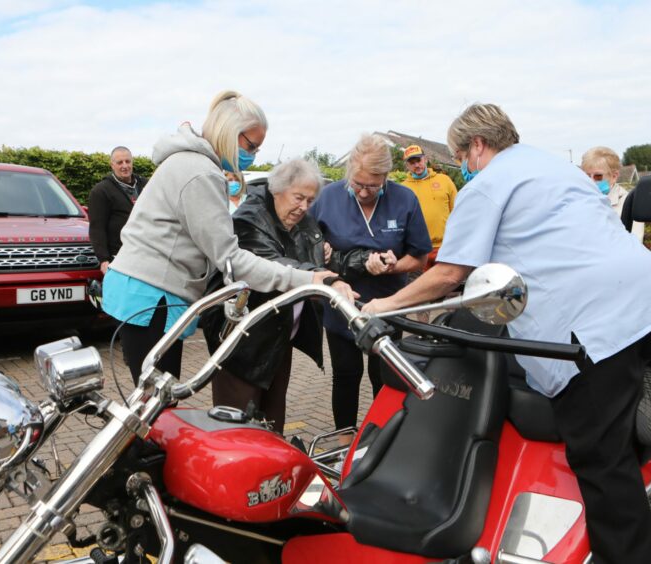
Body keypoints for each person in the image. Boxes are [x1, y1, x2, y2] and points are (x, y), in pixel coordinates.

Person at [363, 104, 651, 564]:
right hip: (647, 304)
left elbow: (452, 272)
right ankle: (637, 376)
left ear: (476, 145)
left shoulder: (488, 186)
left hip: (591, 328)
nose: (463, 168)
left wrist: (384, 306)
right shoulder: (555, 167)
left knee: (603, 465)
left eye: (461, 157)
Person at [102, 91, 346, 385]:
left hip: (148, 290)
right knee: (154, 407)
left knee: (152, 400)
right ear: (230, 131)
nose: (252, 155)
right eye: (250, 145)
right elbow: (230, 259)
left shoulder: (190, 163)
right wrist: (307, 280)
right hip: (152, 296)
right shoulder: (200, 173)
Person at [310, 133, 431, 434]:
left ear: (386, 178)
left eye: (373, 186)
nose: (364, 192)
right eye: (358, 184)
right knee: (346, 375)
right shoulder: (328, 197)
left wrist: (393, 266)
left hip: (389, 307)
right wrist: (322, 251)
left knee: (386, 378)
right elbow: (306, 244)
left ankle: (383, 441)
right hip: (341, 307)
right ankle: (343, 442)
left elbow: (419, 257)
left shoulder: (404, 199)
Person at [204, 158, 335, 433]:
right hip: (244, 344)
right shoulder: (249, 220)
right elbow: (274, 264)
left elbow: (316, 255)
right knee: (238, 428)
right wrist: (314, 272)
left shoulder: (300, 218)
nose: (304, 207)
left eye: (310, 201)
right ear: (277, 189)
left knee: (273, 423)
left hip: (277, 338)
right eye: (299, 197)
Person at [88, 146, 146, 274]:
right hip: (119, 258)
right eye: (120, 162)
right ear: (112, 165)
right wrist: (103, 259)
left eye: (127, 161)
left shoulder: (146, 185)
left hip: (146, 255)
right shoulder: (101, 191)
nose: (125, 166)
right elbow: (97, 228)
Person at [400, 144, 458, 270]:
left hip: (445, 246)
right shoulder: (403, 189)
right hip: (418, 249)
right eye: (412, 162)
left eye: (419, 160)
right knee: (424, 287)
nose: (416, 165)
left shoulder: (444, 180)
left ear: (425, 159)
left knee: (448, 285)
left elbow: (458, 211)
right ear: (407, 166)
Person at [581, 146, 644, 242]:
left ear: (614, 176)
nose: (591, 181)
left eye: (598, 176)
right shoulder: (579, 200)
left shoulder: (630, 203)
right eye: (587, 176)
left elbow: (635, 243)